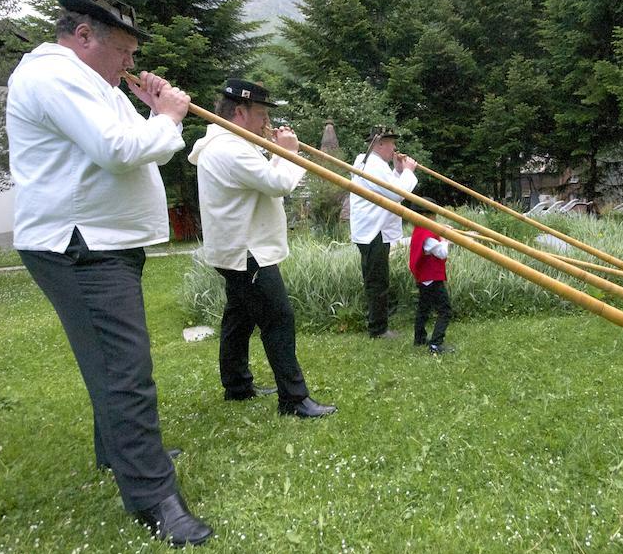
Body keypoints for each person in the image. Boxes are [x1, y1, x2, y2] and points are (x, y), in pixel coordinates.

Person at [6, 0, 212, 546]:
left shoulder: (94, 83)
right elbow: (118, 150)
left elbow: (129, 141)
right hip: (79, 245)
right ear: (82, 37)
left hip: (103, 242)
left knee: (111, 361)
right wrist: (168, 116)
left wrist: (151, 110)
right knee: (125, 369)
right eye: (122, 51)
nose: (129, 63)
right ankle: (153, 496)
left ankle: (118, 451)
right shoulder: (53, 76)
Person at [188, 78, 336, 419]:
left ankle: (237, 385)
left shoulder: (228, 141)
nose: (266, 124)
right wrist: (291, 152)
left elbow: (262, 175)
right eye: (259, 115)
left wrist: (276, 149)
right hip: (248, 251)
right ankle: (294, 400)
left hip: (236, 248)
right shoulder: (230, 148)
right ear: (239, 112)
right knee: (278, 319)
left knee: (238, 317)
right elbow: (278, 183)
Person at [349, 126, 418, 339]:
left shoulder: (375, 163)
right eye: (391, 143)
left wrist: (398, 171)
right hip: (372, 231)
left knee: (379, 278)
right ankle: (378, 329)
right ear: (379, 144)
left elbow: (388, 189)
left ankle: (379, 324)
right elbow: (396, 194)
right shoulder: (372, 164)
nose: (394, 148)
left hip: (374, 229)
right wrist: (408, 171)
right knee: (377, 280)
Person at [407, 200, 454, 354]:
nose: (435, 218)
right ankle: (435, 345)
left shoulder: (420, 231)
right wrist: (446, 239)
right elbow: (442, 252)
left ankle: (419, 338)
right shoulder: (426, 236)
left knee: (424, 309)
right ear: (425, 215)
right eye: (433, 215)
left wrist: (442, 233)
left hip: (424, 278)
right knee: (445, 310)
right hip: (431, 279)